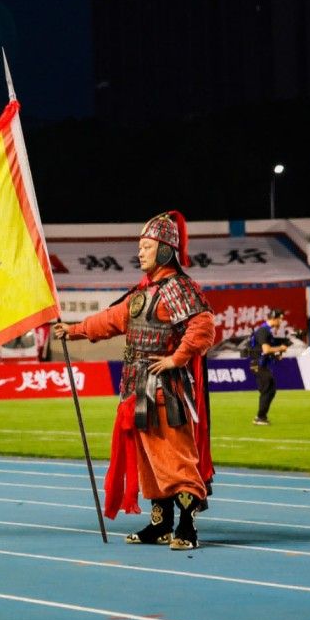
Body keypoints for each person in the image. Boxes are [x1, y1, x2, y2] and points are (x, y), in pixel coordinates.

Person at [53, 211, 215, 551]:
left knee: (175, 458)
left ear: (166, 251)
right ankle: (161, 524)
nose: (140, 253)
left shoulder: (179, 288)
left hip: (166, 391)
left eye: (146, 246)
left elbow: (203, 325)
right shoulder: (142, 293)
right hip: (136, 388)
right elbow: (110, 320)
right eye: (140, 247)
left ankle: (187, 526)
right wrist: (73, 330)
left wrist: (176, 358)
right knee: (150, 463)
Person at [251, 310, 290, 426]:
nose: (281, 321)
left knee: (270, 389)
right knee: (268, 389)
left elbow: (266, 351)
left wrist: (276, 355)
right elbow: (266, 350)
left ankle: (261, 416)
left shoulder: (266, 331)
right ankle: (260, 417)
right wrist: (280, 348)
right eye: (280, 319)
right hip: (258, 364)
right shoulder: (263, 331)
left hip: (259, 364)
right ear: (274, 318)